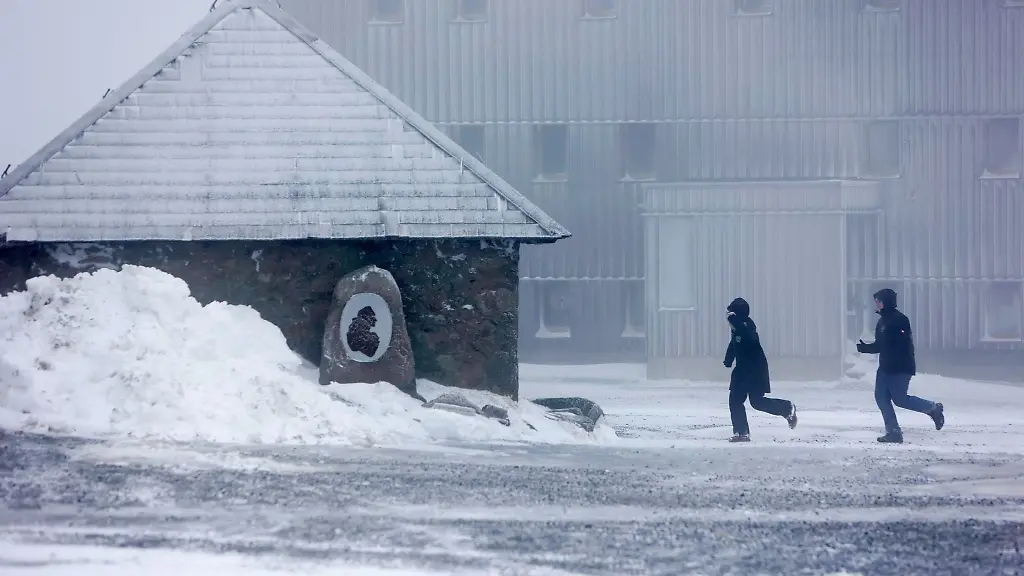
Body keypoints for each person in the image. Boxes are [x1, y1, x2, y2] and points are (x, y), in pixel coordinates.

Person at [857, 288, 944, 444]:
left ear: (886, 302)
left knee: (900, 399)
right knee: (881, 397)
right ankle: (893, 431)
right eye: (876, 301)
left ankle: (933, 409)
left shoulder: (900, 320)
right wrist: (866, 348)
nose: (876, 304)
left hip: (899, 367)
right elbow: (881, 345)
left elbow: (900, 344)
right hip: (885, 367)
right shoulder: (882, 321)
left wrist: (891, 355)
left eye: (879, 301)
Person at [723, 297, 798, 442]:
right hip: (744, 370)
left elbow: (748, 337)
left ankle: (787, 409)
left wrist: (735, 323)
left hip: (754, 370)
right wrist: (728, 359)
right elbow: (734, 343)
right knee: (745, 401)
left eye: (731, 313)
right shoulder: (739, 328)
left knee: (747, 401)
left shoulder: (747, 326)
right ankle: (742, 431)